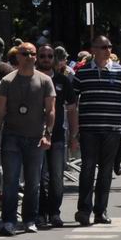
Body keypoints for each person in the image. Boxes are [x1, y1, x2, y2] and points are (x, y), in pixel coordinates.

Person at [72, 34, 121, 227]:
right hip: (88, 128)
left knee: (106, 171)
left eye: (109, 46)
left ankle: (101, 211)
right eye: (103, 47)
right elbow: (72, 102)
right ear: (93, 50)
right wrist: (74, 130)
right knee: (87, 168)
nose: (108, 50)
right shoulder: (82, 73)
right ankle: (84, 210)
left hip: (113, 129)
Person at [0, 41, 55, 235]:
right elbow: (0, 112)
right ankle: (9, 221)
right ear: (17, 56)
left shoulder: (45, 80)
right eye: (25, 54)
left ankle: (29, 219)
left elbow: (50, 110)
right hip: (11, 137)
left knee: (33, 182)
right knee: (10, 181)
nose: (29, 57)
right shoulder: (7, 81)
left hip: (35, 138)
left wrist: (48, 134)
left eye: (32, 54)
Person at [37, 45, 77, 228]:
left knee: (56, 176)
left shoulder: (63, 81)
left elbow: (72, 109)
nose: (46, 59)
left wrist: (74, 136)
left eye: (49, 56)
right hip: (34, 135)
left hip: (58, 135)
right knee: (38, 177)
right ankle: (40, 213)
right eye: (42, 56)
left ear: (54, 59)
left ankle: (54, 212)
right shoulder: (30, 78)